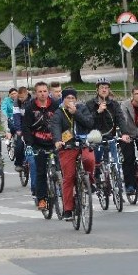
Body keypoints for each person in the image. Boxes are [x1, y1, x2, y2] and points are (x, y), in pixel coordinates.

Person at [51, 88, 95, 220]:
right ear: (63, 100)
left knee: (89, 159)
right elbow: (56, 127)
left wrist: (76, 113)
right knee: (68, 177)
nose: (70, 101)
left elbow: (90, 123)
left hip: (83, 143)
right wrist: (58, 140)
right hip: (67, 146)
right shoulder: (59, 112)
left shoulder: (82, 108)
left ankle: (89, 181)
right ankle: (68, 209)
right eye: (67, 98)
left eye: (73, 98)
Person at [85, 78, 131, 186]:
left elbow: (121, 119)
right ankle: (95, 176)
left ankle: (117, 189)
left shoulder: (114, 105)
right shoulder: (90, 104)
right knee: (96, 161)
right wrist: (98, 111)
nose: (104, 90)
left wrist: (125, 133)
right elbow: (87, 121)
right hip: (96, 137)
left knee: (116, 162)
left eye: (106, 88)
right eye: (102, 88)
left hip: (110, 136)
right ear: (97, 90)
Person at [22, 81, 59, 210]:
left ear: (48, 92)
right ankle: (42, 198)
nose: (42, 94)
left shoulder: (55, 105)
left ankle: (62, 193)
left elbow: (61, 123)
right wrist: (29, 145)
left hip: (54, 142)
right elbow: (26, 127)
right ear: (35, 93)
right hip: (38, 143)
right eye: (40, 91)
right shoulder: (30, 107)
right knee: (41, 172)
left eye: (44, 91)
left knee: (61, 169)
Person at [12, 86, 32, 172]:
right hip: (21, 124)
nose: (20, 99)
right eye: (19, 97)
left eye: (22, 97)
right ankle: (18, 163)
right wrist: (18, 129)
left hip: (31, 124)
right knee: (19, 144)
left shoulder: (33, 101)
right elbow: (16, 117)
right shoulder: (16, 102)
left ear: (27, 94)